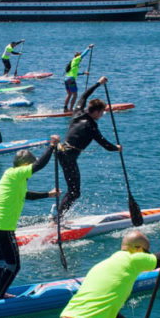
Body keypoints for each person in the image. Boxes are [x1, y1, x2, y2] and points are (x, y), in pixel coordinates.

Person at [0, 137, 61, 299]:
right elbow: (39, 165)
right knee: (14, 265)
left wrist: (48, 194)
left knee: (2, 262)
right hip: (4, 227)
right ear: (25, 165)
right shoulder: (18, 173)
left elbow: (27, 195)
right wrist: (52, 147)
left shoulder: (12, 176)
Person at [56, 76, 118, 217]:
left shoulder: (78, 111)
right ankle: (57, 219)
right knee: (74, 192)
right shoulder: (91, 126)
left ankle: (58, 217)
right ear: (96, 112)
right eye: (102, 112)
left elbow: (84, 95)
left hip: (61, 151)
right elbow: (105, 144)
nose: (102, 115)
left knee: (72, 190)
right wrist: (117, 148)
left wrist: (98, 83)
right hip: (69, 156)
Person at [63, 44, 93, 112]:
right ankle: (71, 109)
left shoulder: (73, 63)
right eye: (80, 58)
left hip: (66, 79)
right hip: (71, 80)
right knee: (75, 95)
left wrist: (83, 73)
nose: (81, 59)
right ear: (77, 56)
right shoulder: (76, 59)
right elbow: (83, 55)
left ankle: (65, 108)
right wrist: (88, 48)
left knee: (69, 94)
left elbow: (75, 73)